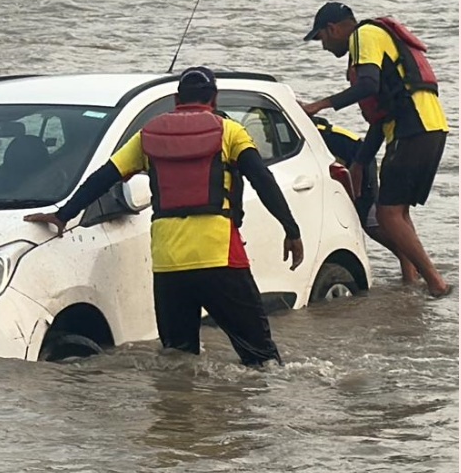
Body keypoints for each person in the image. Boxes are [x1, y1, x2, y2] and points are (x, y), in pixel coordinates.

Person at [24, 67, 303, 368]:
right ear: (215, 98)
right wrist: (291, 229)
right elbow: (262, 179)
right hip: (220, 258)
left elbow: (104, 177)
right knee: (261, 359)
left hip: (169, 264)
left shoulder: (148, 135)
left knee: (178, 361)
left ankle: (177, 414)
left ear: (176, 99)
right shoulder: (229, 132)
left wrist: (63, 214)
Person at [299, 2, 451, 297]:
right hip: (430, 129)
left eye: (321, 39)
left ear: (332, 29)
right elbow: (380, 117)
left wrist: (320, 105)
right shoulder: (375, 41)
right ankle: (413, 282)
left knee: (387, 215)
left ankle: (436, 283)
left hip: (413, 129)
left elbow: (367, 86)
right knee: (398, 214)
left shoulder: (364, 34)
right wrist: (360, 162)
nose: (324, 47)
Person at [312, 116, 418, 282]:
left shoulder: (315, 133)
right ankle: (410, 269)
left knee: (369, 220)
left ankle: (409, 271)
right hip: (354, 160)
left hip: (361, 163)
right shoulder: (317, 130)